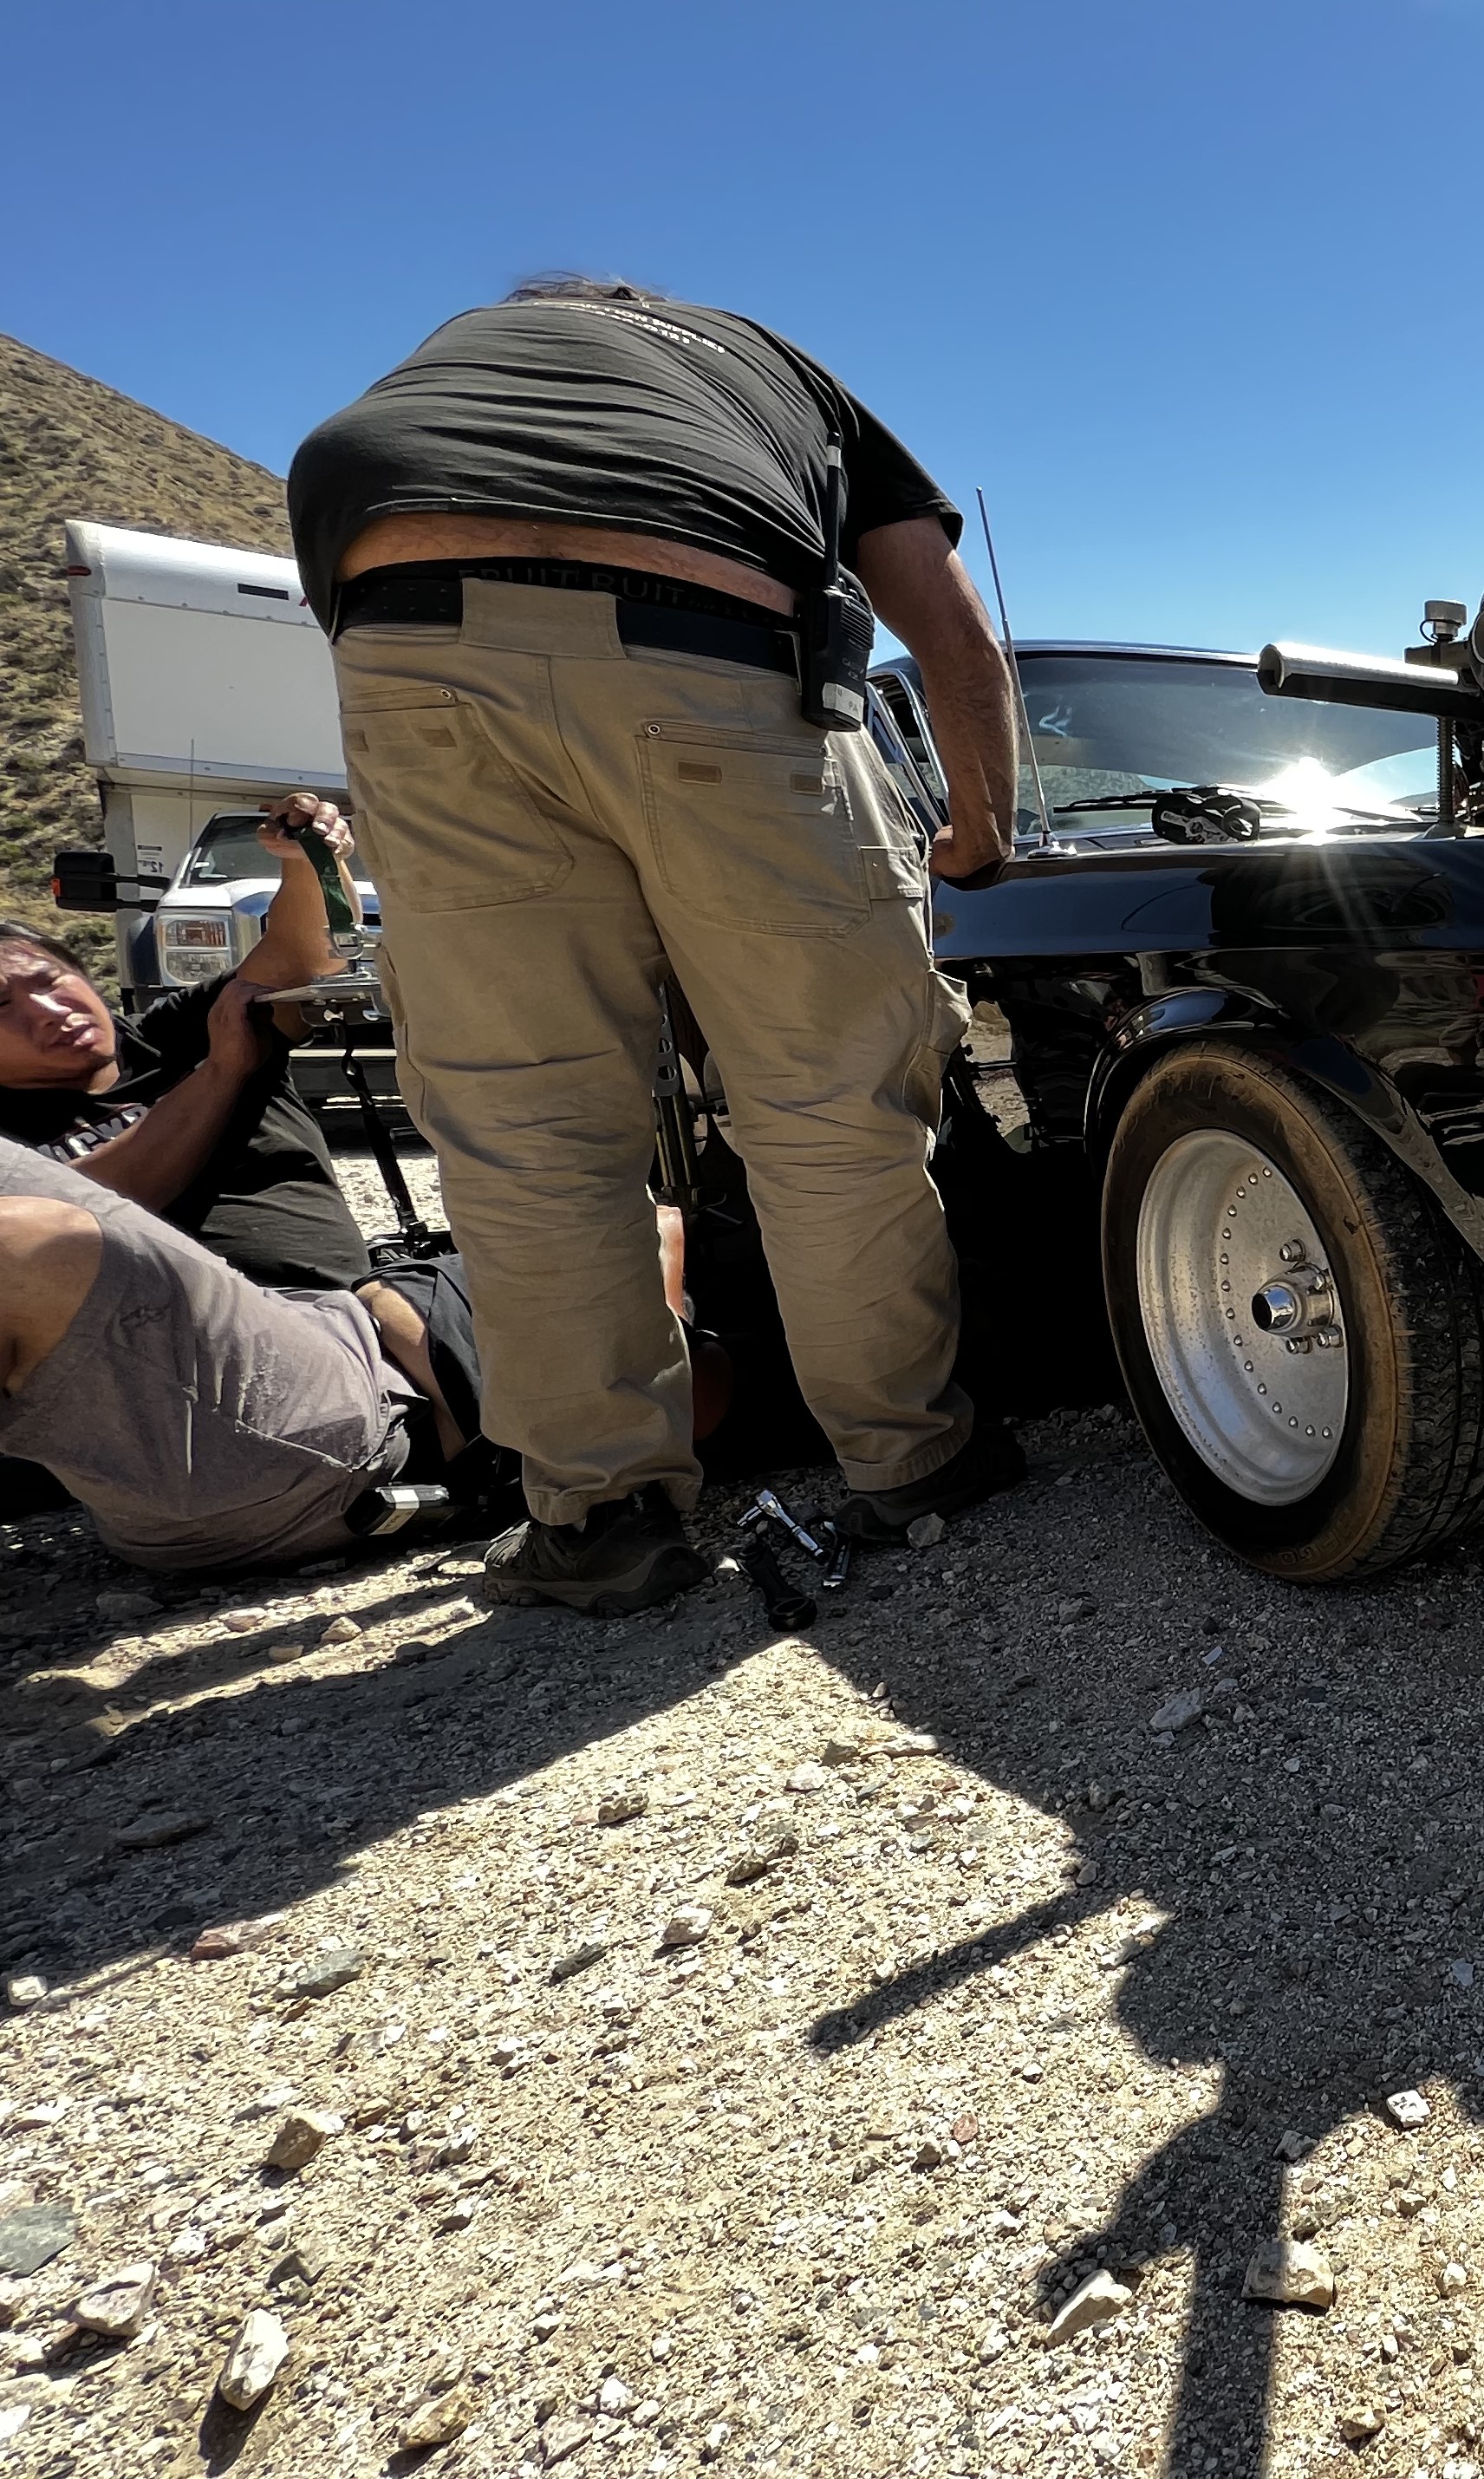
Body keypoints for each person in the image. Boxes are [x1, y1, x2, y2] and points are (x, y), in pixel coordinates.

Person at [287, 281, 1027, 1614]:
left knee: (528, 1131)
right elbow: (953, 631)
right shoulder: (776, 371)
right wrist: (979, 831)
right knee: (830, 1104)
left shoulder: (455, 361)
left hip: (408, 637)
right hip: (707, 638)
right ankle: (911, 1457)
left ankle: (599, 1515)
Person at [0, 799, 486, 1569]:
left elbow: (298, 958)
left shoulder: (178, 1035)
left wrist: (304, 861)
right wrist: (224, 1074)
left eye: (50, 981)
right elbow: (83, 1221)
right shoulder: (19, 1148)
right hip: (150, 1370)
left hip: (319, 1343)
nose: (49, 1011)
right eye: (2, 1009)